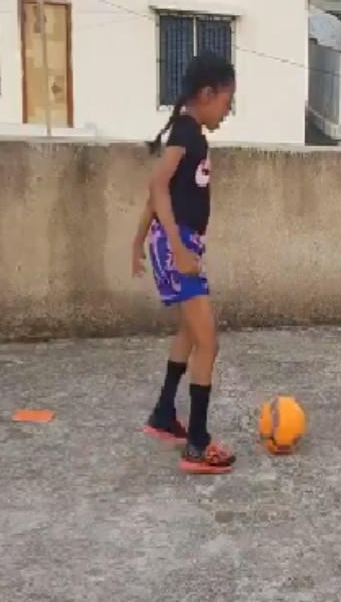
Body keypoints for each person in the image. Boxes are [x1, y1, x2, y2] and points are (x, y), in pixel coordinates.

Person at [131, 52, 237, 474]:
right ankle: (197, 443)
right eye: (227, 102)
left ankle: (163, 415)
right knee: (208, 340)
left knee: (190, 333)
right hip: (179, 246)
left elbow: (159, 190)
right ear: (207, 93)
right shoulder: (188, 132)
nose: (227, 112)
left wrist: (139, 240)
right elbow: (157, 182)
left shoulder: (189, 132)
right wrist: (175, 245)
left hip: (176, 243)